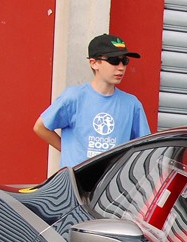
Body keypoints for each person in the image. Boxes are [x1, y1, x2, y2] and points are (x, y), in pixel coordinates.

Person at [34, 34, 152, 174]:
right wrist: (68, 151)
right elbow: (41, 127)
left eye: (124, 61)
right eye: (114, 60)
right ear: (94, 63)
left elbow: (145, 147)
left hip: (110, 187)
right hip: (76, 183)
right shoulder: (74, 97)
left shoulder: (132, 104)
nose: (121, 67)